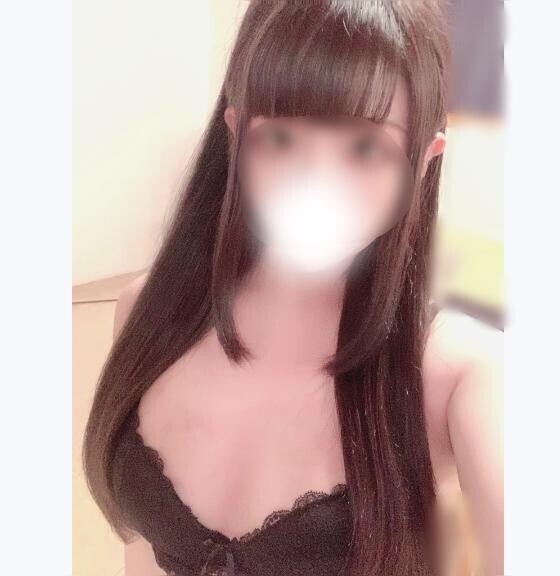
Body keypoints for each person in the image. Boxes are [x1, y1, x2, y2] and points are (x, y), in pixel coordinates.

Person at [82, 1, 504, 575]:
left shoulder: (465, 375)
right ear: (237, 134)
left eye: (365, 148)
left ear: (424, 160)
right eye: (280, 139)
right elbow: (140, 554)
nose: (315, 184)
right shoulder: (148, 311)